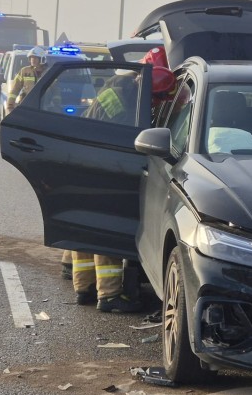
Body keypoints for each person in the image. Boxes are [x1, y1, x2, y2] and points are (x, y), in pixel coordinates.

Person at [67, 50, 178, 312]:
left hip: (86, 161)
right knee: (108, 229)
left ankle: (84, 287)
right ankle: (109, 295)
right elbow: (126, 133)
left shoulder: (119, 86)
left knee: (86, 224)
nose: (156, 101)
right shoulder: (127, 96)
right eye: (157, 95)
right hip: (105, 166)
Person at [5, 47, 46, 113]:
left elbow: (55, 89)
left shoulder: (47, 72)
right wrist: (10, 104)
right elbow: (15, 89)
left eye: (35, 58)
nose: (33, 60)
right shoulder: (24, 71)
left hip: (43, 106)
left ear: (42, 59)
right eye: (31, 58)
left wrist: (56, 103)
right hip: (26, 105)